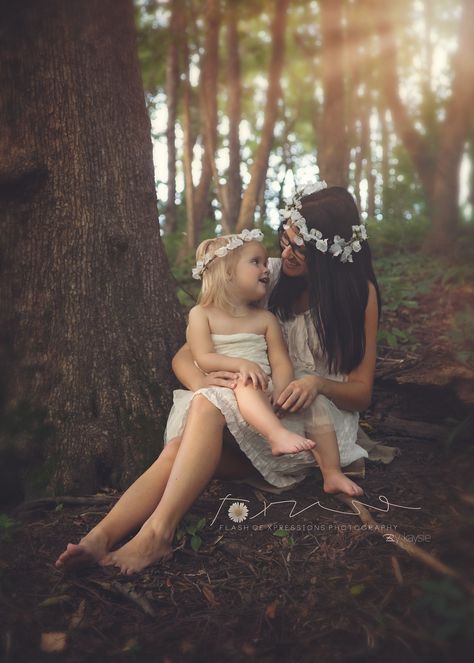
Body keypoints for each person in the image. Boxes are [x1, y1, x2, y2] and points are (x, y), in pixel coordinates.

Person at [55, 181, 381, 575]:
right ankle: (100, 537)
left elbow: (362, 394)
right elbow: (185, 355)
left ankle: (155, 536)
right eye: (285, 237)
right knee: (192, 430)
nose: (285, 253)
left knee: (187, 443)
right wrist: (205, 386)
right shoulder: (268, 276)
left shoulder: (357, 294)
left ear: (329, 253)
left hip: (312, 423)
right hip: (251, 406)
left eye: (301, 247)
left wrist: (315, 383)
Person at [179, 228, 316, 457]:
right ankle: (276, 435)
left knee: (250, 384)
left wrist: (281, 391)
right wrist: (241, 365)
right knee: (243, 381)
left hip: (262, 393)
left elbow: (280, 362)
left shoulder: (265, 319)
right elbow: (202, 356)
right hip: (224, 390)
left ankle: (287, 439)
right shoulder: (200, 314)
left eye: (264, 262)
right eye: (256, 262)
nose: (266, 269)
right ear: (228, 273)